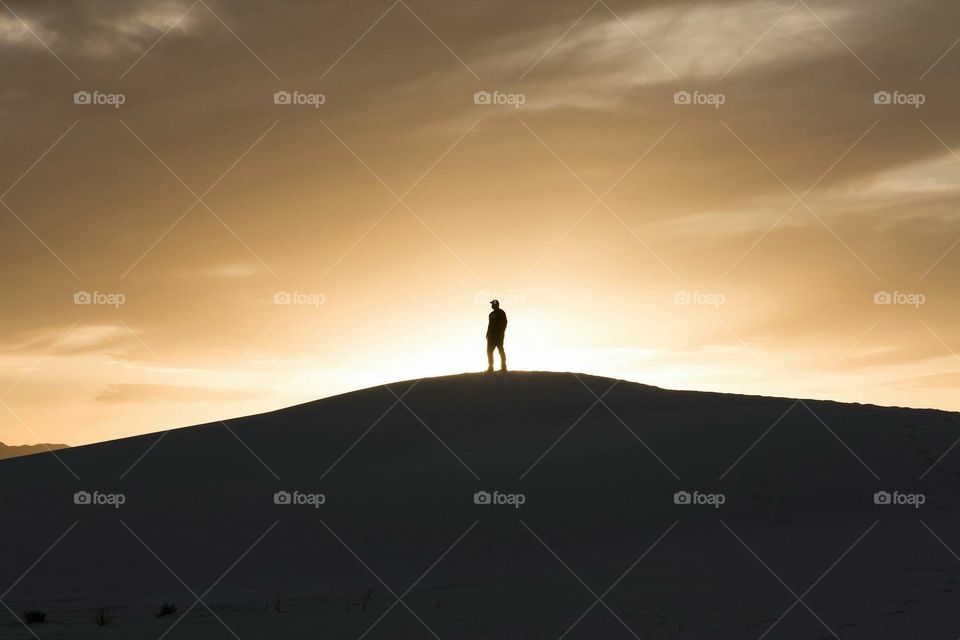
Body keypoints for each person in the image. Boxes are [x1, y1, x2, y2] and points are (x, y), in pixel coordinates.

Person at [486, 299, 507, 372]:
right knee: (489, 351)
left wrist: (502, 332)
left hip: (498, 335)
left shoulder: (501, 312)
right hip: (491, 336)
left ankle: (503, 367)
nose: (492, 305)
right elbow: (490, 324)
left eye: (494, 304)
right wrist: (487, 333)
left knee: (500, 350)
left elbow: (505, 322)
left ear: (497, 304)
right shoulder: (491, 314)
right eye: (492, 304)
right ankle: (490, 367)